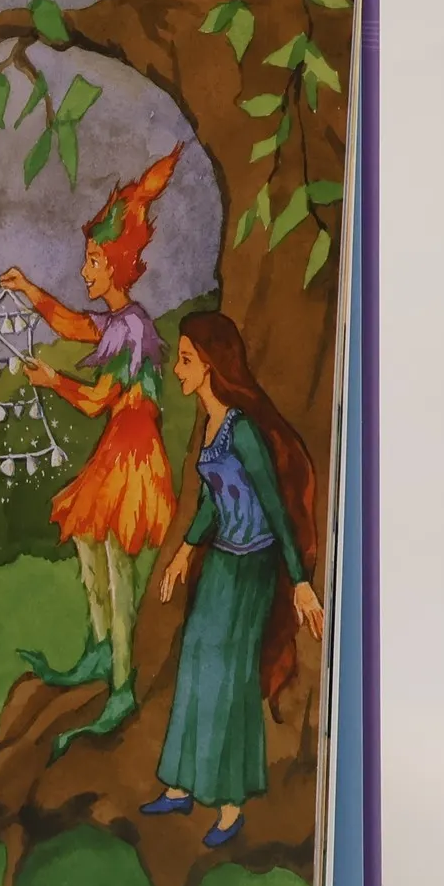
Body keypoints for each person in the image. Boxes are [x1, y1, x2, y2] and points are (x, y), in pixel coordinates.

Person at [0, 143, 182, 745]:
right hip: (117, 445)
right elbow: (70, 323)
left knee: (117, 561)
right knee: (86, 535)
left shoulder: (132, 327)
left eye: (93, 262)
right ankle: (102, 649)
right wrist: (28, 289)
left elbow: (99, 399)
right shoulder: (115, 320)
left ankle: (124, 681)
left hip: (134, 449)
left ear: (116, 266)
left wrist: (51, 380)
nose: (85, 272)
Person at [141, 312, 324, 847]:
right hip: (222, 558)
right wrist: (184, 553)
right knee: (197, 656)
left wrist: (300, 581)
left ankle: (229, 806)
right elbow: (210, 503)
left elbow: (274, 506)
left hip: (254, 565)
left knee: (233, 674)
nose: (178, 369)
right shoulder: (211, 424)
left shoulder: (243, 429)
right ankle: (180, 785)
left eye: (186, 360)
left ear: (211, 365)